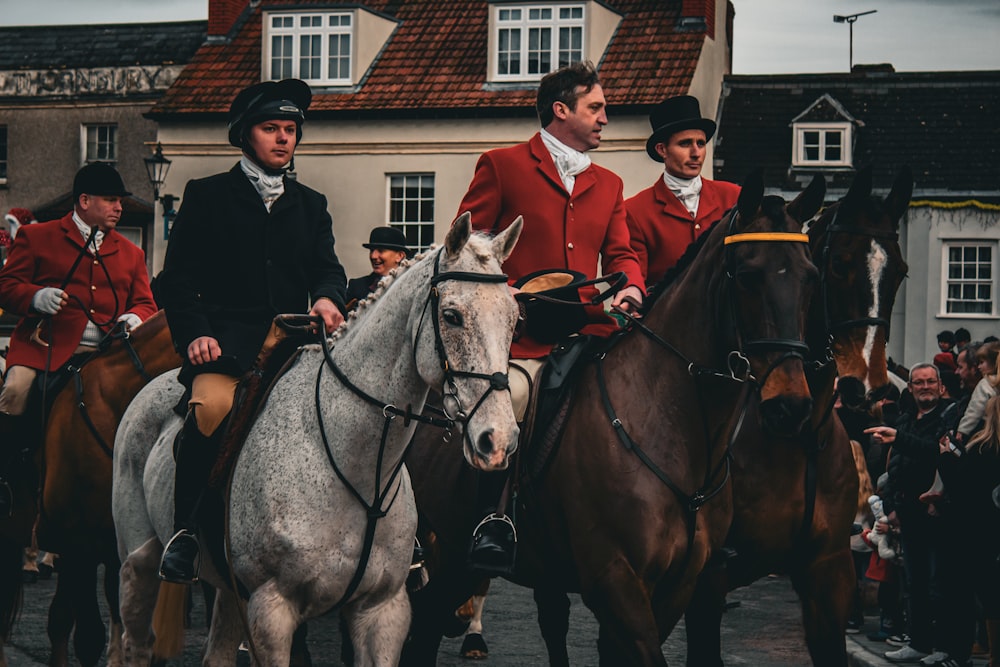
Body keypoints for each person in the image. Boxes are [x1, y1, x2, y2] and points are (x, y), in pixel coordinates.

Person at [156, 78, 348, 584]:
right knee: (211, 409)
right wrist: (196, 333)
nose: (283, 138)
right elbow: (176, 279)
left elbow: (327, 270)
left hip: (294, 346)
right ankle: (185, 533)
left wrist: (329, 297)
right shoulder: (206, 195)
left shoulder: (311, 203)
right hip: (225, 346)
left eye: (290, 130)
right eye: (271, 128)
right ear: (245, 135)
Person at [456, 60, 644, 573]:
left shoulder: (609, 183)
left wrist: (630, 286)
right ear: (562, 110)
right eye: (596, 108)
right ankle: (491, 521)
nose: (606, 118)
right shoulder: (502, 164)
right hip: (523, 336)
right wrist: (506, 292)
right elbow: (468, 246)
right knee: (512, 398)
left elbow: (622, 254)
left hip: (591, 330)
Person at [0, 163, 157, 517]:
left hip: (107, 353)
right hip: (45, 347)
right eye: (111, 200)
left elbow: (146, 303)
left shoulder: (131, 253)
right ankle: (6, 477)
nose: (119, 208)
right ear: (84, 201)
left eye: (120, 202)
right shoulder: (37, 237)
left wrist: (134, 317)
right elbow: (6, 287)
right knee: (14, 391)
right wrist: (36, 297)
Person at [865, 363, 961, 666]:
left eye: (930, 382)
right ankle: (917, 642)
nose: (925, 387)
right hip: (907, 515)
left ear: (941, 386)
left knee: (940, 585)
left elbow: (938, 452)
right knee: (914, 583)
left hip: (937, 515)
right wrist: (891, 508)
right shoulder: (906, 419)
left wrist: (899, 438)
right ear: (910, 388)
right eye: (919, 383)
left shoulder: (950, 417)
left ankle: (944, 647)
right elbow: (893, 470)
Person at [625, 95, 741, 289]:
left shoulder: (734, 197)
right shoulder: (635, 211)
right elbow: (636, 281)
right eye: (685, 143)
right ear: (662, 149)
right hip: (667, 317)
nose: (696, 153)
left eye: (701, 143)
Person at [938, 395, 1000, 667]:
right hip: (989, 530)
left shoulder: (984, 449)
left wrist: (946, 457)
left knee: (976, 592)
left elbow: (961, 486)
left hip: (977, 531)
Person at [345, 226, 411, 308]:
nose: (373, 256)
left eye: (381, 250)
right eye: (372, 250)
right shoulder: (357, 287)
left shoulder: (409, 287)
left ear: (399, 256)